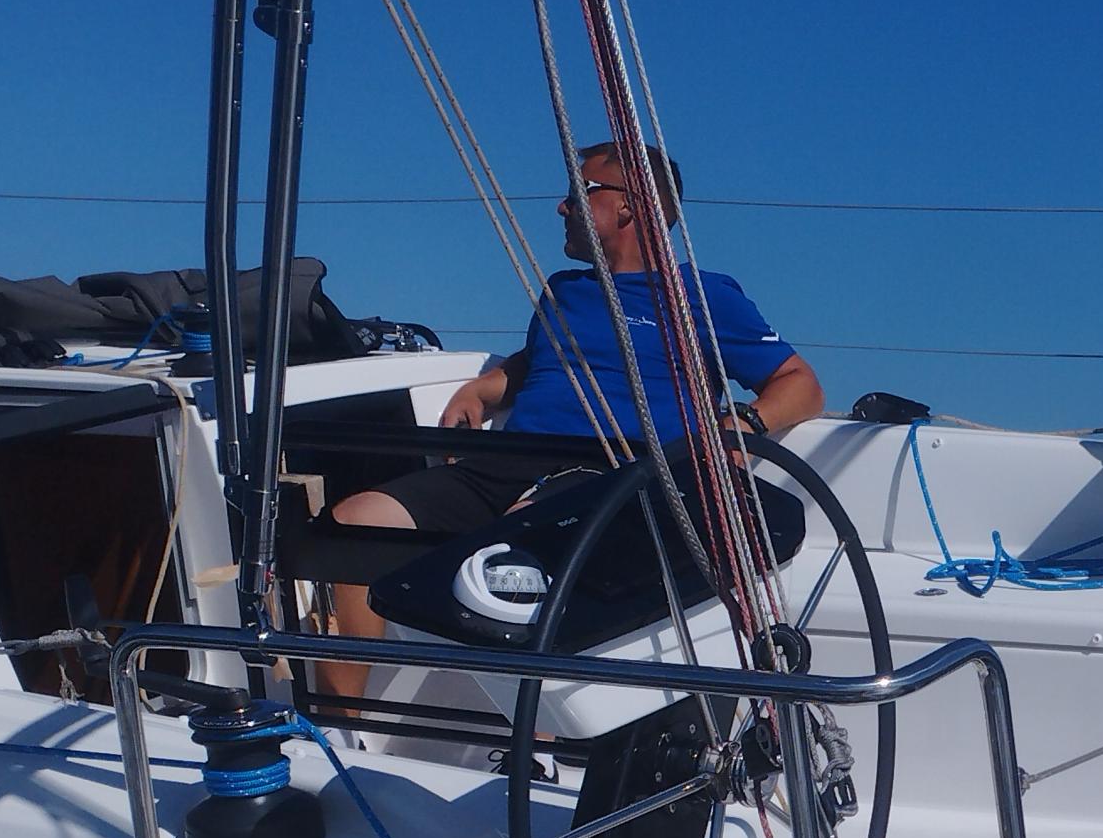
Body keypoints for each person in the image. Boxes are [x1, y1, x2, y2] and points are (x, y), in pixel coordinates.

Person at [318, 140, 822, 696]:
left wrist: (740, 427)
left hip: (607, 477)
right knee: (355, 522)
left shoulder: (703, 297)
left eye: (579, 193)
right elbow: (538, 362)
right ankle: (343, 724)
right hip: (508, 463)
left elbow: (800, 383)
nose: (562, 207)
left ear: (628, 204)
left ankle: (538, 741)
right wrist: (482, 389)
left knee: (507, 556)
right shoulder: (563, 291)